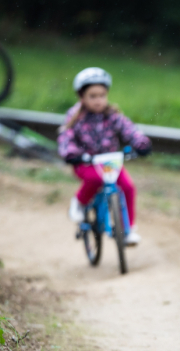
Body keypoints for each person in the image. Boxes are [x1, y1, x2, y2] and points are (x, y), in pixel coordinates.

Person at [57, 67, 151, 245]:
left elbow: (129, 129)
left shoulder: (112, 115)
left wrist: (141, 143)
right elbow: (66, 137)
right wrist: (71, 153)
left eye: (102, 95)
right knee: (94, 179)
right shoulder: (75, 116)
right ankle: (79, 202)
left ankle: (128, 229)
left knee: (128, 187)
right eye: (93, 96)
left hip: (110, 162)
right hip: (85, 162)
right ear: (82, 97)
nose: (98, 100)